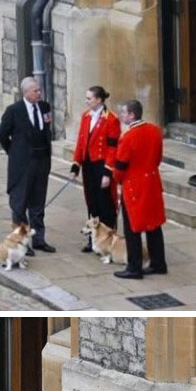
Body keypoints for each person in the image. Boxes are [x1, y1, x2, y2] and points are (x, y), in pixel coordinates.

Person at [0, 76, 56, 254]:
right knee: (20, 204)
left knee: (38, 204)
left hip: (41, 162)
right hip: (23, 165)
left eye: (39, 90)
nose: (39, 93)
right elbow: (2, 135)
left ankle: (39, 239)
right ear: (26, 93)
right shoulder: (14, 110)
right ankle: (22, 241)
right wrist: (15, 153)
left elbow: (46, 130)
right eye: (35, 91)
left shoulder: (45, 107)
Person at [110, 99, 168, 279]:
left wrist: (117, 180)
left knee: (132, 228)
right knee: (154, 225)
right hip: (152, 182)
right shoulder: (155, 131)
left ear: (132, 115)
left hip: (134, 187)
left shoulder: (128, 137)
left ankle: (134, 267)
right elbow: (158, 158)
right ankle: (158, 262)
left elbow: (120, 167)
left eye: (124, 113)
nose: (121, 116)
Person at [69, 85, 121, 250]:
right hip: (89, 166)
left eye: (89, 98)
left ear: (99, 100)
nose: (86, 101)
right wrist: (75, 165)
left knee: (105, 203)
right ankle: (93, 240)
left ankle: (108, 241)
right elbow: (81, 142)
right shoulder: (86, 116)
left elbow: (113, 148)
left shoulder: (111, 119)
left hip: (102, 165)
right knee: (92, 202)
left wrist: (107, 173)